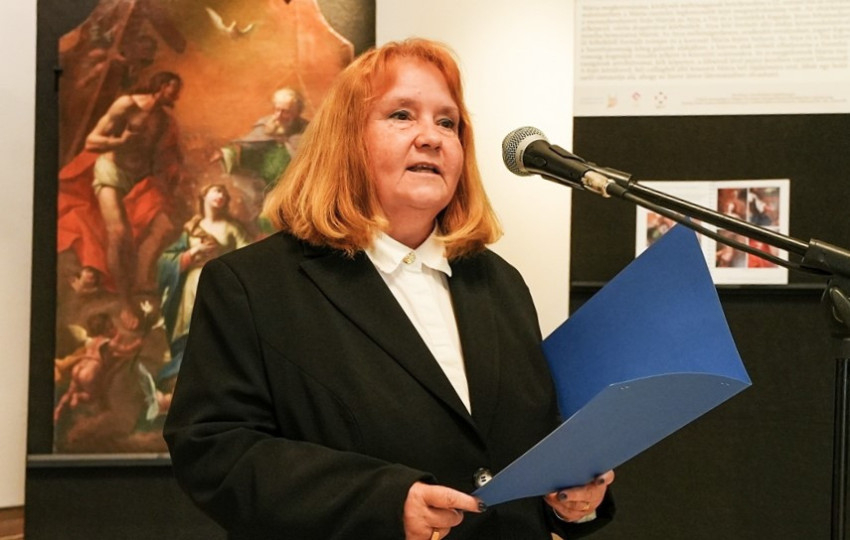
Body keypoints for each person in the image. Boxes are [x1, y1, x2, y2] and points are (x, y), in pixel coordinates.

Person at [164, 39, 614, 539]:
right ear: (345, 140)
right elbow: (214, 452)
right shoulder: (253, 285)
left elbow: (521, 442)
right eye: (402, 115)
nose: (431, 138)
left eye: (447, 122)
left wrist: (570, 499)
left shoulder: (499, 282)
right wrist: (383, 502)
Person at [57, 71, 183, 328]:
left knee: (164, 226)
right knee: (119, 234)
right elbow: (92, 141)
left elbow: (157, 155)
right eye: (174, 89)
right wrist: (120, 141)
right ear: (161, 86)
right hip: (111, 171)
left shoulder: (163, 120)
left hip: (140, 179)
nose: (177, 96)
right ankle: (126, 302)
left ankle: (140, 283)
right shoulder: (127, 105)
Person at [157, 184, 252, 382]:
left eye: (223, 193)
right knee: (191, 332)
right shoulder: (191, 229)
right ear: (204, 196)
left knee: (216, 332)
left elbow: (249, 257)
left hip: (219, 285)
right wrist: (192, 253)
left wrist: (223, 261)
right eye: (216, 190)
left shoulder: (232, 228)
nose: (220, 195)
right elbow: (165, 261)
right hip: (191, 290)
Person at [213, 87, 309, 234]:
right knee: (268, 223)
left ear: (297, 112)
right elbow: (247, 148)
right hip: (267, 189)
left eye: (285, 112)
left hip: (298, 191)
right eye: (277, 110)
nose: (278, 116)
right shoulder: (265, 126)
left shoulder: (309, 131)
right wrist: (226, 154)